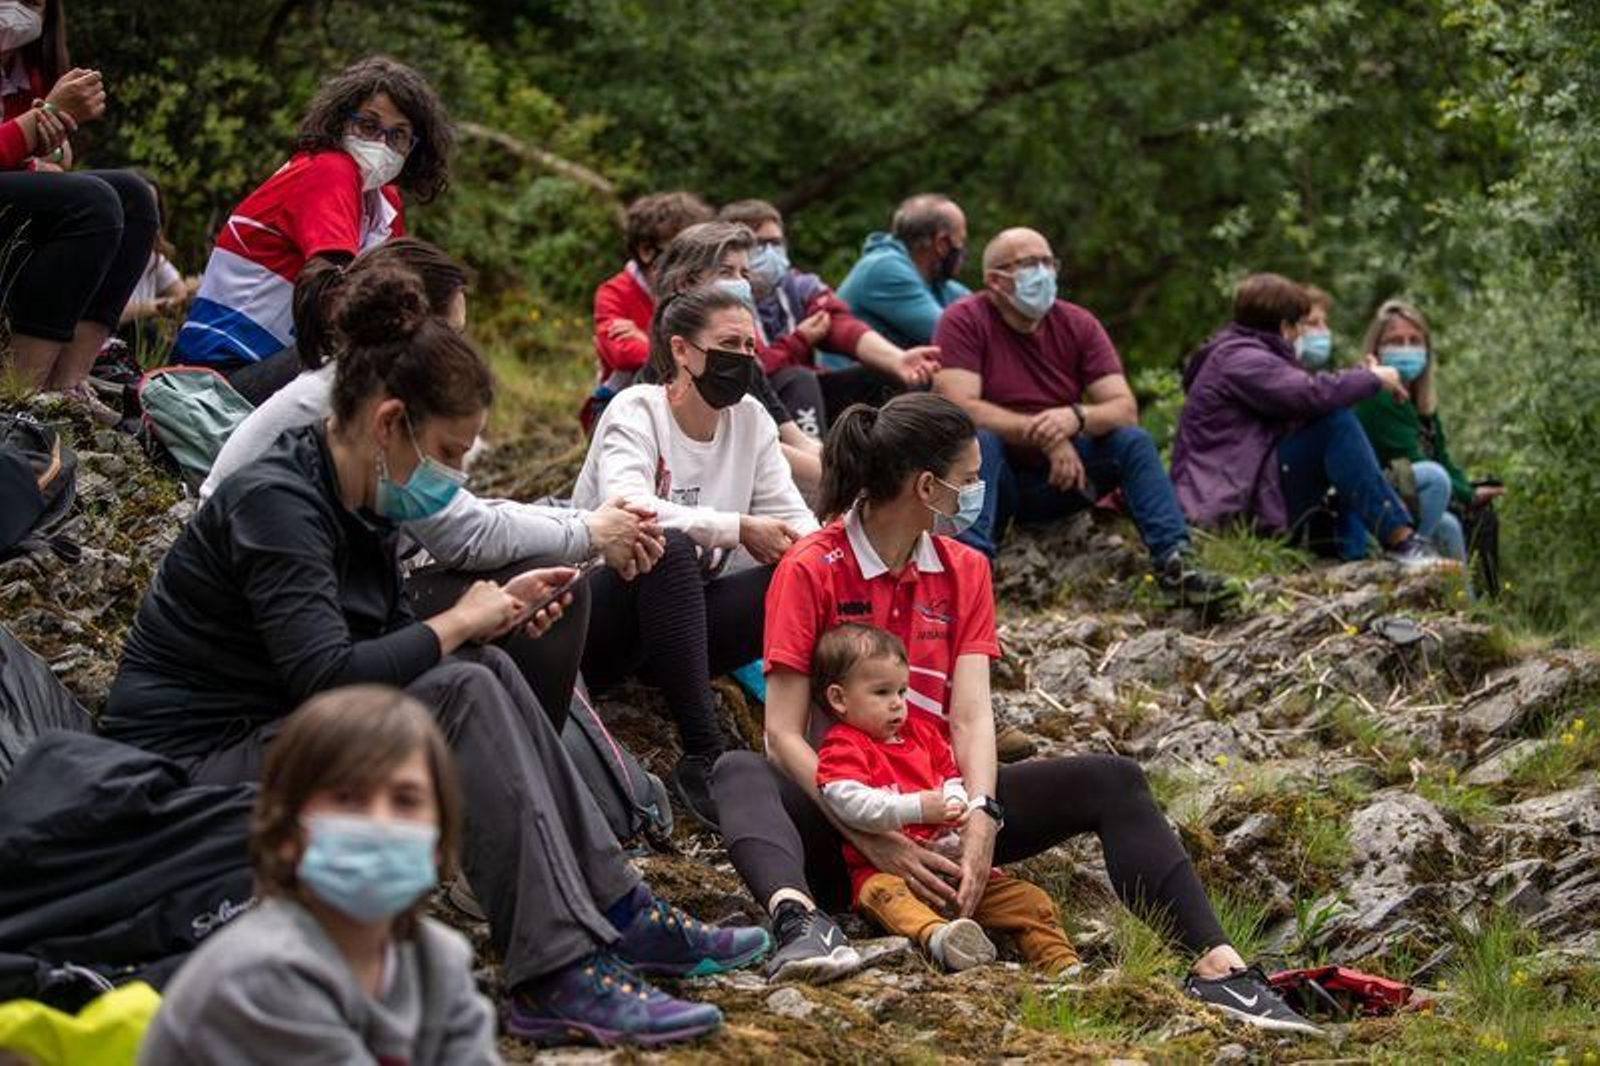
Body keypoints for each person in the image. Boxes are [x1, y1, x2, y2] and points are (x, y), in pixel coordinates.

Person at [102, 265, 767, 1048]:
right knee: (462, 687)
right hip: (186, 769)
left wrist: (493, 620)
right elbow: (326, 679)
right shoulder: (277, 502)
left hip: (275, 735)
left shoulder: (361, 499)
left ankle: (621, 911)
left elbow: (378, 644)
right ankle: (556, 971)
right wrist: (457, 623)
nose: (452, 479)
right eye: (448, 453)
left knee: (479, 671)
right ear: (388, 424)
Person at [710, 393, 1321, 1036]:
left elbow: (972, 718)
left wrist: (982, 817)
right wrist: (871, 834)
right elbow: (782, 733)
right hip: (842, 814)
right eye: (971, 479)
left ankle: (1220, 970)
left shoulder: (963, 568)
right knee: (738, 770)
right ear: (927, 486)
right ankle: (801, 924)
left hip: (940, 812)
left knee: (1113, 780)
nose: (977, 491)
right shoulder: (812, 566)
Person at [202, 237, 664, 723]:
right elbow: (466, 535)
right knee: (550, 586)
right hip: (274, 614)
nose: (455, 351)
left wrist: (581, 521)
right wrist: (588, 533)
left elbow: (465, 509)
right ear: (411, 329)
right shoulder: (354, 410)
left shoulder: (358, 391)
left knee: (525, 599)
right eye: (451, 333)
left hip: (335, 594)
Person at [138, 686, 497, 1064]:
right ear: (288, 828)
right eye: (348, 798)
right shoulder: (259, 974)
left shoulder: (437, 960)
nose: (380, 822)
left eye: (406, 800)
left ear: (440, 835)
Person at [572, 283, 818, 828]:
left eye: (752, 347)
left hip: (685, 623)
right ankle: (704, 751)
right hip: (602, 614)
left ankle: (820, 739)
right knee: (668, 545)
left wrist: (823, 552)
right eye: (729, 343)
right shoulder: (638, 410)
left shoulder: (750, 419)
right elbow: (628, 506)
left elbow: (791, 512)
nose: (744, 358)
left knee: (802, 570)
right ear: (681, 350)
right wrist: (736, 528)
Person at [933, 227, 1232, 603]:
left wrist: (1075, 418)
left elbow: (1124, 409)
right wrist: (1047, 434)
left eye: (1048, 262)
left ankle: (1176, 562)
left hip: (1063, 479)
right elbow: (958, 406)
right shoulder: (963, 321)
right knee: (976, 439)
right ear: (995, 280)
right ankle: (968, 571)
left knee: (1132, 442)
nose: (1043, 273)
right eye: (1029, 264)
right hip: (997, 479)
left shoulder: (1078, 323)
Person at [171, 55, 452, 405]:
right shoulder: (330, 170)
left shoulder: (385, 203)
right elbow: (334, 291)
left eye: (399, 135)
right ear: (339, 122)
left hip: (273, 370)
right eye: (367, 125)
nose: (381, 144)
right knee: (384, 355)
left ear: (414, 148)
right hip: (213, 383)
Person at [813, 624, 1079, 975]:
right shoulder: (843, 745)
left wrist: (956, 802)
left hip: (951, 866)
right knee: (884, 896)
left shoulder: (923, 734)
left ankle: (1061, 962)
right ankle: (941, 937)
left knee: (1030, 900)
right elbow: (846, 801)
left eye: (902, 691)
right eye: (881, 692)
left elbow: (952, 776)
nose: (897, 703)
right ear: (839, 698)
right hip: (887, 869)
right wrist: (918, 807)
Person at [1170, 273, 1441, 565]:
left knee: (1333, 424)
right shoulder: (1241, 360)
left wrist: (1361, 378)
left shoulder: (1240, 355)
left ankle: (1375, 547)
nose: (1302, 334)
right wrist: (1370, 379)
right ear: (1285, 327)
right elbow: (1308, 394)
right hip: (1227, 506)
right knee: (1336, 424)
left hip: (1245, 489)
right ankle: (1401, 542)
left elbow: (1300, 405)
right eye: (1301, 324)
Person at [0, 0, 157, 395]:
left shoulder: (30, 72)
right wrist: (36, 129)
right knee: (91, 203)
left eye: (32, 1)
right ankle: (20, 391)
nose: (16, 9)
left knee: (134, 197)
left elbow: (46, 161)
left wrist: (47, 145)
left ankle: (67, 385)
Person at [717, 198, 940, 416]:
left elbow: (840, 326)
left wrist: (897, 360)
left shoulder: (799, 286)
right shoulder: (722, 297)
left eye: (776, 243)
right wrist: (800, 341)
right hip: (751, 399)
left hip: (805, 391)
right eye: (759, 244)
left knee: (879, 378)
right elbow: (754, 366)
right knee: (799, 379)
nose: (770, 253)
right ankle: (815, 452)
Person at [647, 220, 824, 493]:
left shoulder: (745, 359)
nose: (740, 283)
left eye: (744, 273)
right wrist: (845, 482)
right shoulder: (670, 365)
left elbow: (796, 438)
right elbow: (762, 450)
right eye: (727, 272)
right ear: (687, 281)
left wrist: (849, 464)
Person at [1354, 299, 1502, 587]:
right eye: (1396, 341)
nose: (1406, 348)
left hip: (1401, 493)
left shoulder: (1421, 404)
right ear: (1376, 349)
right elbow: (1414, 460)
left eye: (1414, 341)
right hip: (1371, 501)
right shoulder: (1376, 397)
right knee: (1435, 479)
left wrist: (1470, 490)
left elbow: (1443, 455)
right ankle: (1403, 558)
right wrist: (1467, 496)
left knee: (1448, 525)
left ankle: (1465, 608)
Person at [587, 190, 714, 429]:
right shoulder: (614, 293)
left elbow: (743, 351)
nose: (693, 262)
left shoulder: (703, 292)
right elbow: (623, 354)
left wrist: (646, 341)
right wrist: (694, 356)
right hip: (621, 405)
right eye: (682, 251)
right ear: (646, 251)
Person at [836, 192, 969, 349]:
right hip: (850, 373)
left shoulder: (935, 283)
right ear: (941, 244)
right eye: (961, 241)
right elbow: (954, 336)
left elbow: (979, 314)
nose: (964, 251)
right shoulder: (884, 269)